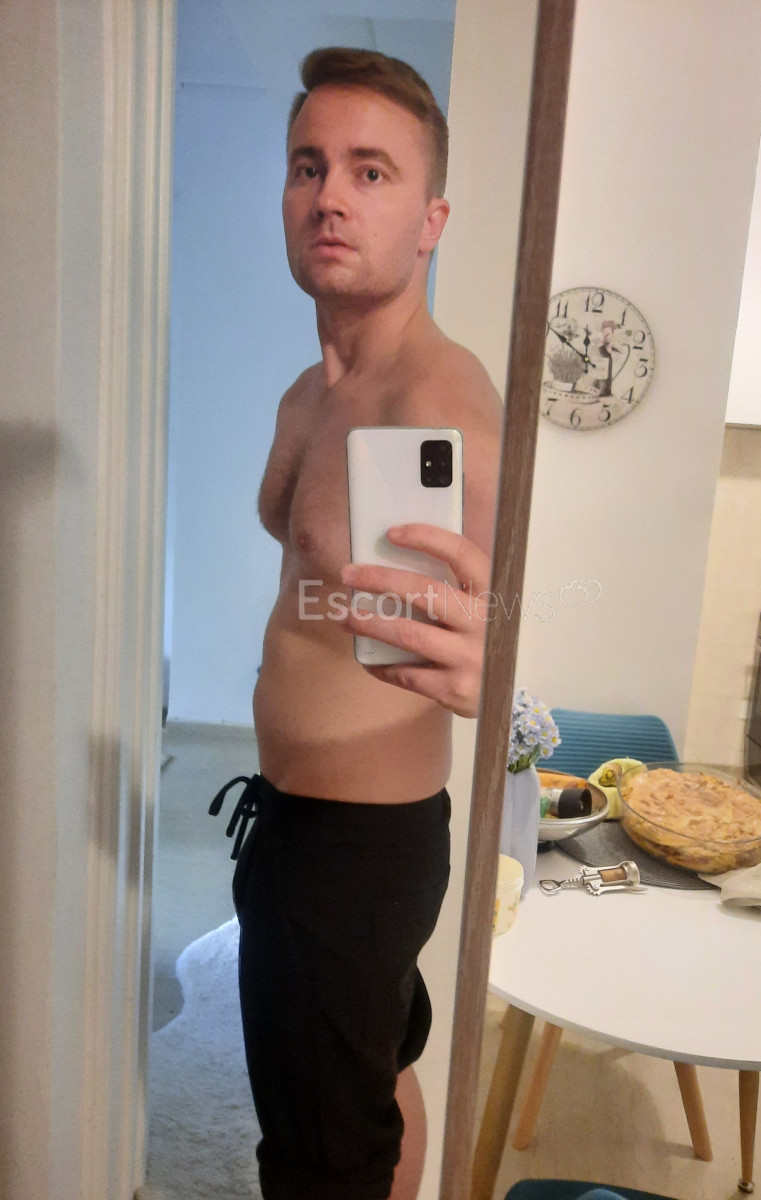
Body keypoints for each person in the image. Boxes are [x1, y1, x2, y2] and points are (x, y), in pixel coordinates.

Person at [209, 46, 502, 1200]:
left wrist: (494, 664)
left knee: (317, 1160)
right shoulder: (312, 391)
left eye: (371, 172)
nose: (330, 195)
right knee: (380, 1071)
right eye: (309, 165)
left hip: (353, 850)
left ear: (430, 222)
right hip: (298, 825)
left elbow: (494, 607)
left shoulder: (438, 399)